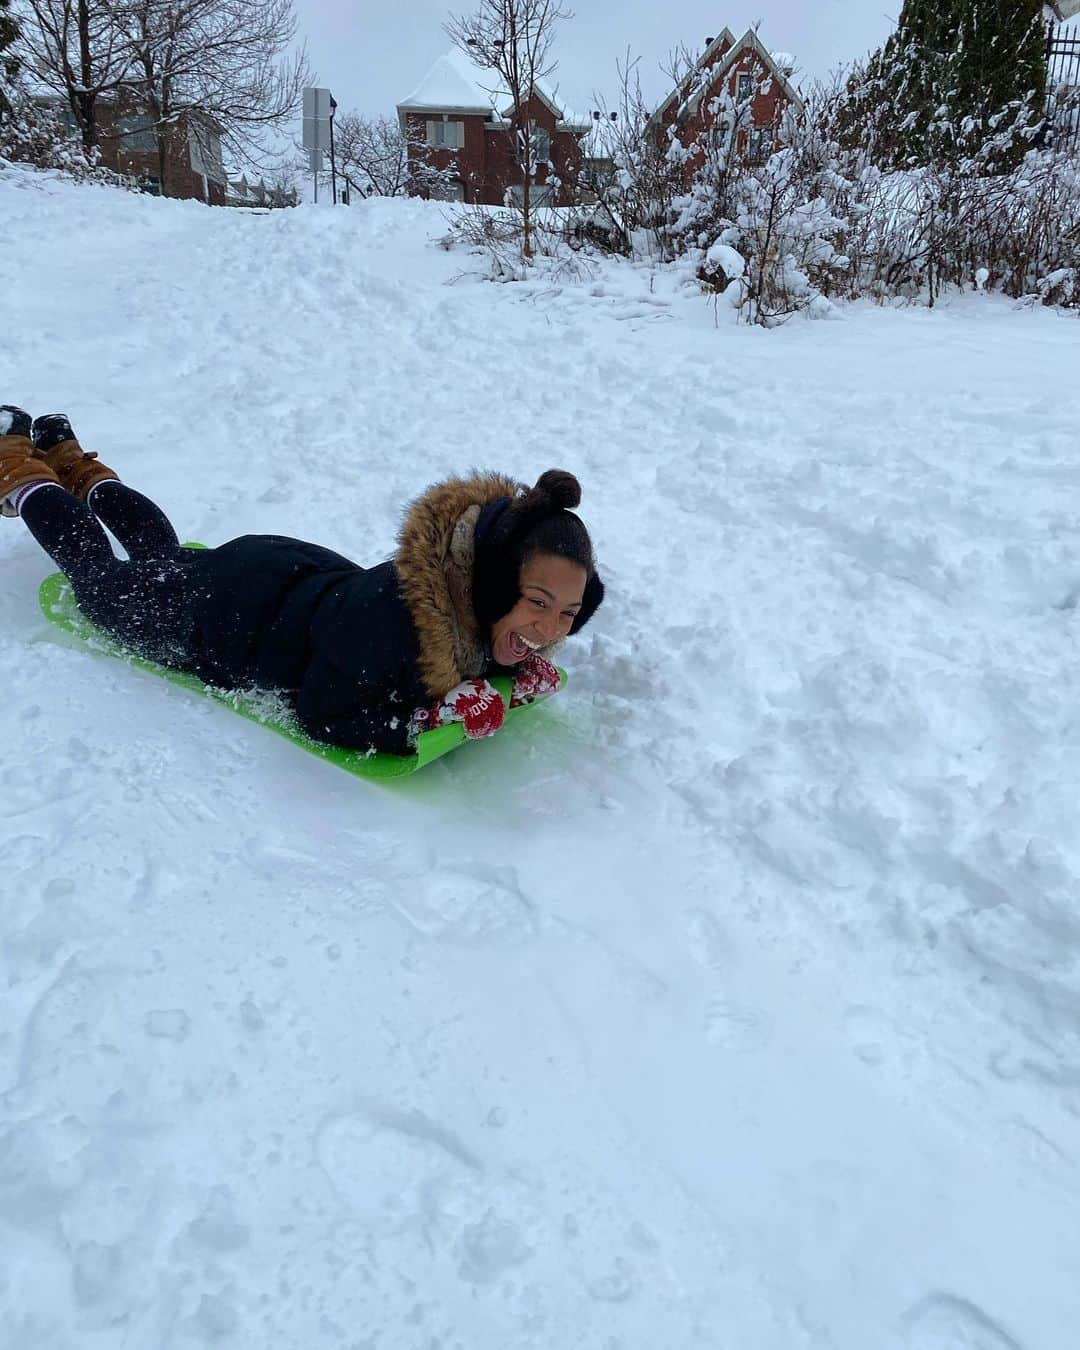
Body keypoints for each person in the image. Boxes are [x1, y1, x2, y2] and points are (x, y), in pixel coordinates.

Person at [0, 406, 605, 756]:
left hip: (282, 576)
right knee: (103, 583)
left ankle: (67, 455)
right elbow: (326, 711)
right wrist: (426, 720)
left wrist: (511, 670)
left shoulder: (466, 587)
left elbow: (482, 641)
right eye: (537, 603)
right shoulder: (395, 625)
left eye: (567, 614)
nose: (550, 627)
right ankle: (19, 467)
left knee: (164, 553)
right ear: (495, 583)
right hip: (227, 619)